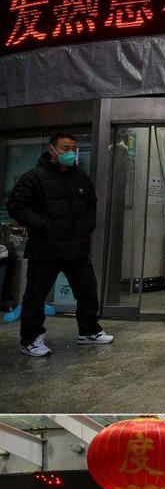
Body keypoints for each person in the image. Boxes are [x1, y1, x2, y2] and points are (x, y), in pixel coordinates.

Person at [7, 131, 114, 357]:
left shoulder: (81, 178)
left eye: (73, 149)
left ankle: (89, 330)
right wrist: (43, 225)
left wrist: (87, 227)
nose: (70, 153)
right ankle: (31, 339)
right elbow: (16, 205)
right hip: (46, 248)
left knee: (87, 291)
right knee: (36, 295)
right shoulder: (34, 177)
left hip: (77, 248)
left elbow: (91, 205)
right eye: (65, 149)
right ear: (52, 149)